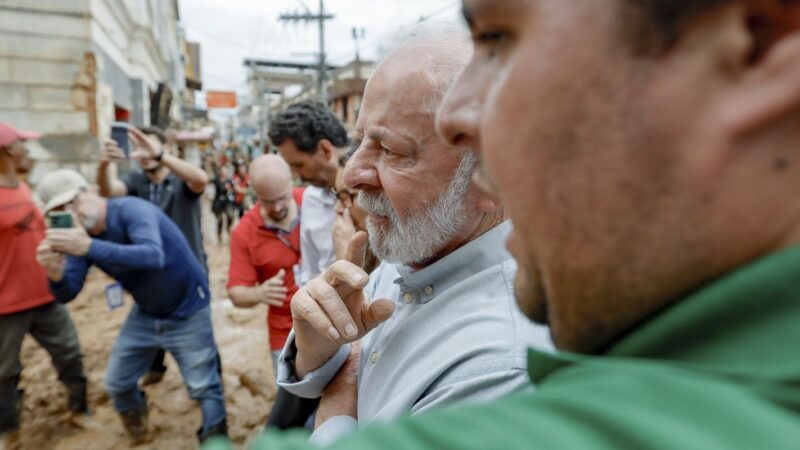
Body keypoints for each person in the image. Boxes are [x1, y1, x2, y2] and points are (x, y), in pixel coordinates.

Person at [207, 0, 800, 448]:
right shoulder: (407, 247)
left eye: (497, 39)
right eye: (362, 140)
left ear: (755, 43)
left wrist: (338, 400)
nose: (470, 114)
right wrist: (325, 359)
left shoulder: (509, 366)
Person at [274, 26, 552, 446]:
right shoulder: (421, 241)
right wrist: (319, 349)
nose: (351, 173)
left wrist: (335, 406)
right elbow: (337, 366)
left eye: (390, 151)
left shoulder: (500, 369)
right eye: (360, 139)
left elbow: (347, 380)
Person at [35, 170, 227, 444]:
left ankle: (215, 440)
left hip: (188, 309)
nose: (71, 213)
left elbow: (151, 255)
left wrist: (88, 246)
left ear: (91, 191)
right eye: (59, 211)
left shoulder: (132, 210)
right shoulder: (84, 239)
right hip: (146, 312)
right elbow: (68, 292)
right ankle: (139, 427)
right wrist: (55, 273)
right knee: (117, 381)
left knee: (204, 386)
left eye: (73, 203)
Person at [97, 125, 210, 385]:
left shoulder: (181, 180)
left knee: (197, 333)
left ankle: (208, 384)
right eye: (140, 148)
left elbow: (201, 179)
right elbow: (107, 192)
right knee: (153, 319)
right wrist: (103, 164)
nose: (144, 154)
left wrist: (160, 156)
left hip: (188, 274)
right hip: (151, 272)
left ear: (165, 149)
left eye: (149, 147)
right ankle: (156, 369)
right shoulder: (137, 182)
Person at [0, 124, 88, 445]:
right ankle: (8, 430)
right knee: (5, 371)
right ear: (10, 151)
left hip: (45, 294)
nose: (29, 151)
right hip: (6, 304)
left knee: (70, 353)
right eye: (24, 144)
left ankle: (80, 410)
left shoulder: (27, 189)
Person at [226, 154, 318, 429]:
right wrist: (259, 293)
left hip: (333, 324)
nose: (278, 207)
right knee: (295, 413)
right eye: (268, 201)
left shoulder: (315, 201)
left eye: (282, 197)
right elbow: (236, 292)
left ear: (293, 182)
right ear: (254, 193)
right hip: (285, 336)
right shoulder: (245, 232)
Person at [268, 101, 350, 284]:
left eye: (298, 165)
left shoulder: (377, 192)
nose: (295, 175)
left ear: (325, 150)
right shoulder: (311, 199)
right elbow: (310, 274)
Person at [212, 165, 235, 243]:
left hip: (226, 201)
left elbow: (233, 189)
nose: (224, 172)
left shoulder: (229, 180)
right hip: (218, 201)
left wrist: (231, 190)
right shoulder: (216, 179)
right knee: (220, 219)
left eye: (225, 171)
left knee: (230, 216)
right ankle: (219, 234)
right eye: (223, 171)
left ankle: (228, 230)